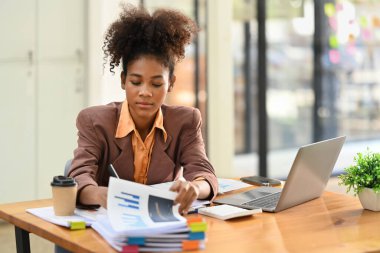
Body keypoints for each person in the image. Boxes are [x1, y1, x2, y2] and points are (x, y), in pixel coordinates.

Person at [68, 4, 218, 214]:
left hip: (161, 221)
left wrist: (194, 187)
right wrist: (102, 194)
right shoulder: (94, 121)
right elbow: (78, 177)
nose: (145, 92)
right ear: (123, 80)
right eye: (136, 82)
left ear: (171, 83)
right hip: (108, 224)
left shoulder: (186, 120)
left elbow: (204, 174)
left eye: (156, 84)